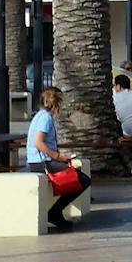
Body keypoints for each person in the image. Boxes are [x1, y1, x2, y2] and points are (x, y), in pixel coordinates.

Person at [26, 86, 93, 229]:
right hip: (41, 163)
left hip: (40, 160)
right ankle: (55, 212)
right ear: (57, 103)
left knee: (77, 174)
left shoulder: (40, 115)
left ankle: (56, 211)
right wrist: (58, 156)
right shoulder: (45, 118)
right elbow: (38, 142)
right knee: (83, 180)